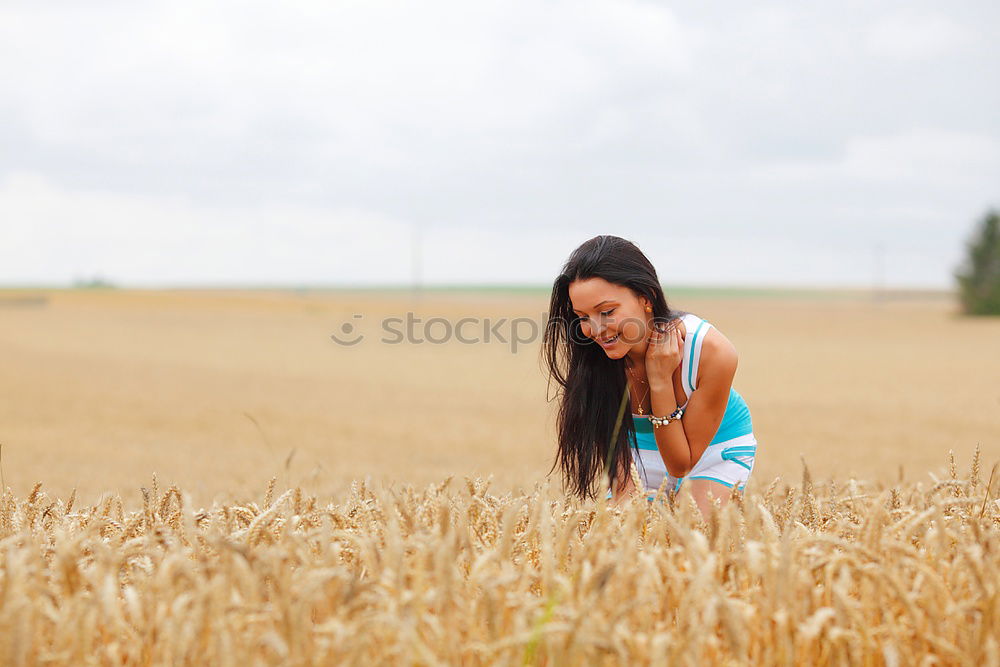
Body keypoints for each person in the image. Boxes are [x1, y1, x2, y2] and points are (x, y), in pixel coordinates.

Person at [541, 235, 757, 516]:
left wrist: (659, 381)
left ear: (646, 298)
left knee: (689, 535)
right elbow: (615, 447)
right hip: (634, 454)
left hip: (712, 453)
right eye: (583, 317)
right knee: (621, 536)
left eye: (606, 312)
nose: (595, 329)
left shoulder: (712, 351)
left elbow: (681, 464)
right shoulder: (595, 357)